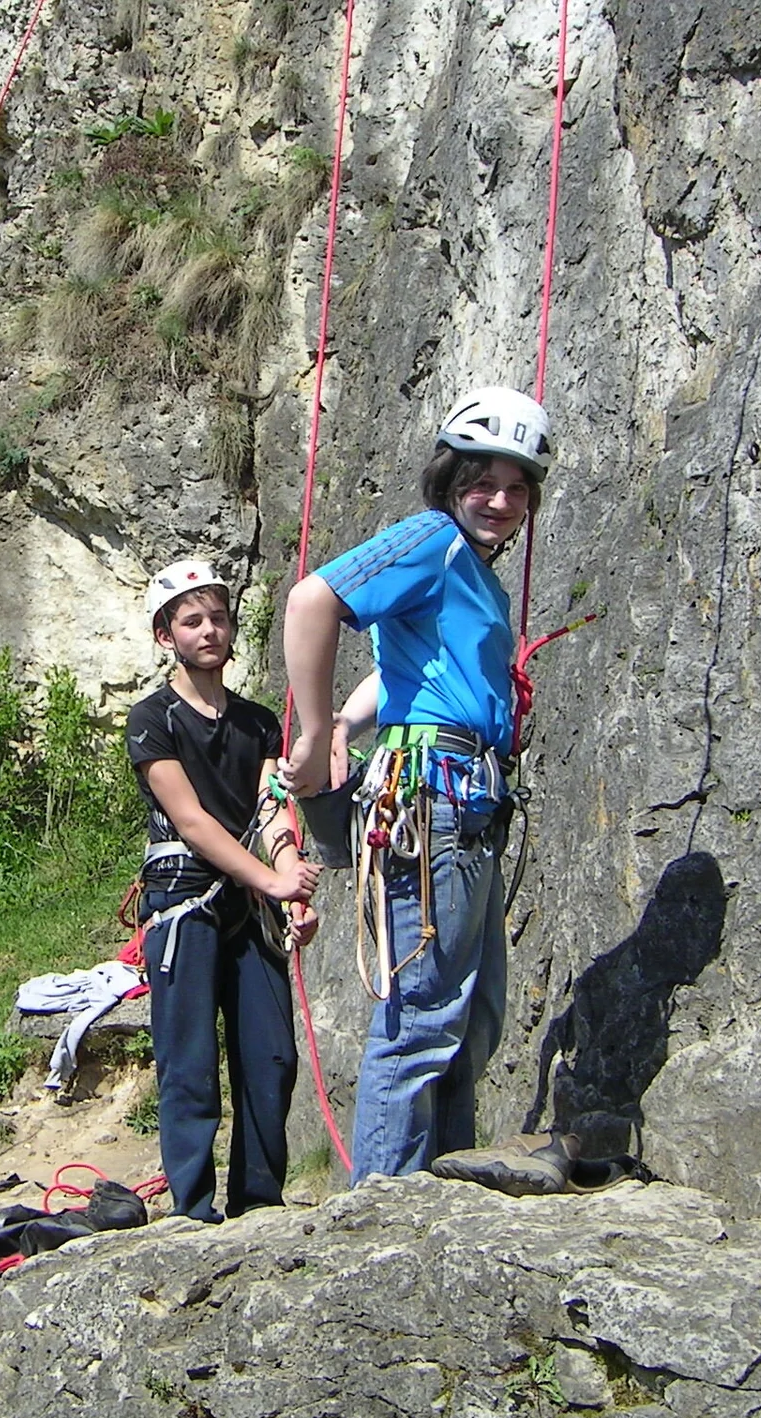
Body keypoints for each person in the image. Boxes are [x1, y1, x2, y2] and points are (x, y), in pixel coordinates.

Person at [280, 386, 553, 1185]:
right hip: (436, 798)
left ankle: (441, 1189)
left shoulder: (469, 570)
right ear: (450, 479)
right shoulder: (433, 538)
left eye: (516, 487)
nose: (500, 501)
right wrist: (312, 725)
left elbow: (407, 671)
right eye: (483, 481)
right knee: (424, 1018)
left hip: (464, 798)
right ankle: (384, 1209)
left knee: (469, 1019)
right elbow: (313, 599)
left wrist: (342, 729)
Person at [127, 560, 322, 1222]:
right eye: (192, 620)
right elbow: (191, 821)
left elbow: (272, 810)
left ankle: (259, 1202)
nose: (209, 630)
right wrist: (272, 878)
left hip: (250, 899)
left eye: (218, 618)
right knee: (189, 1061)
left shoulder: (259, 723)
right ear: (166, 636)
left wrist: (291, 881)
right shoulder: (152, 720)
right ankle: (193, 1207)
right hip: (184, 900)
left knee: (270, 1057)